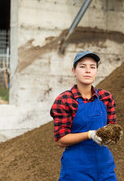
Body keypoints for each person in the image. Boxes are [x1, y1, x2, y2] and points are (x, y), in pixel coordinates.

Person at [50, 51, 118, 180]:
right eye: (82, 66)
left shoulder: (106, 97)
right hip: (77, 169)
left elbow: (112, 127)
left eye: (92, 67)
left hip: (105, 166)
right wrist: (90, 134)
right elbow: (61, 140)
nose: (88, 70)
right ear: (73, 70)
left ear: (96, 71)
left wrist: (114, 135)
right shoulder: (65, 100)